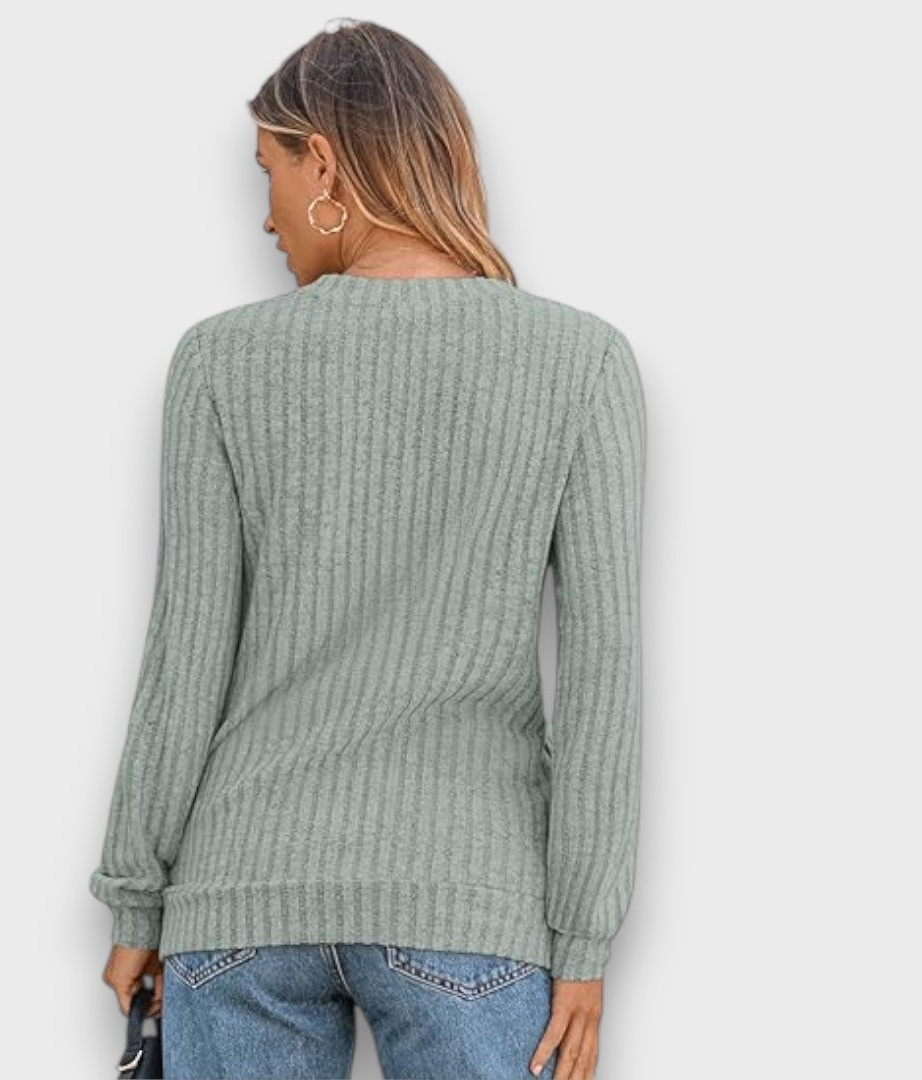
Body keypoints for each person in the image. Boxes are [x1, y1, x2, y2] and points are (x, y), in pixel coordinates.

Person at [90, 19, 646, 1080]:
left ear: (326, 163)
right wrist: (582, 941)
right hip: (469, 902)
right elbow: (602, 674)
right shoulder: (581, 362)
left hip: (239, 900)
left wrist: (138, 899)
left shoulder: (220, 362)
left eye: (268, 170)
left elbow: (185, 655)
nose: (265, 215)